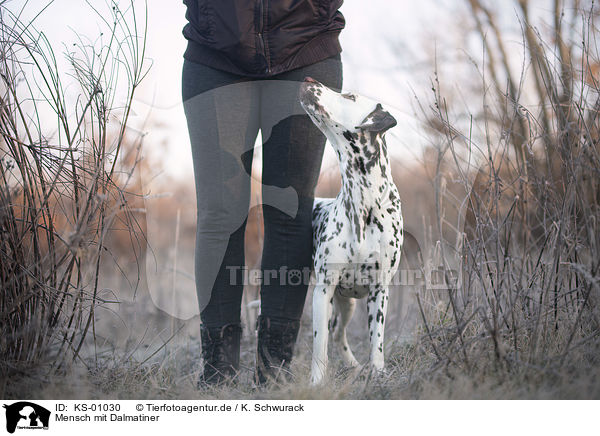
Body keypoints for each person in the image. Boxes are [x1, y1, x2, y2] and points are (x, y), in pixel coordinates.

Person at [181, 0, 345, 386]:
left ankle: (275, 374)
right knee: (220, 215)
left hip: (307, 48)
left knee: (291, 212)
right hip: (214, 53)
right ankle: (218, 375)